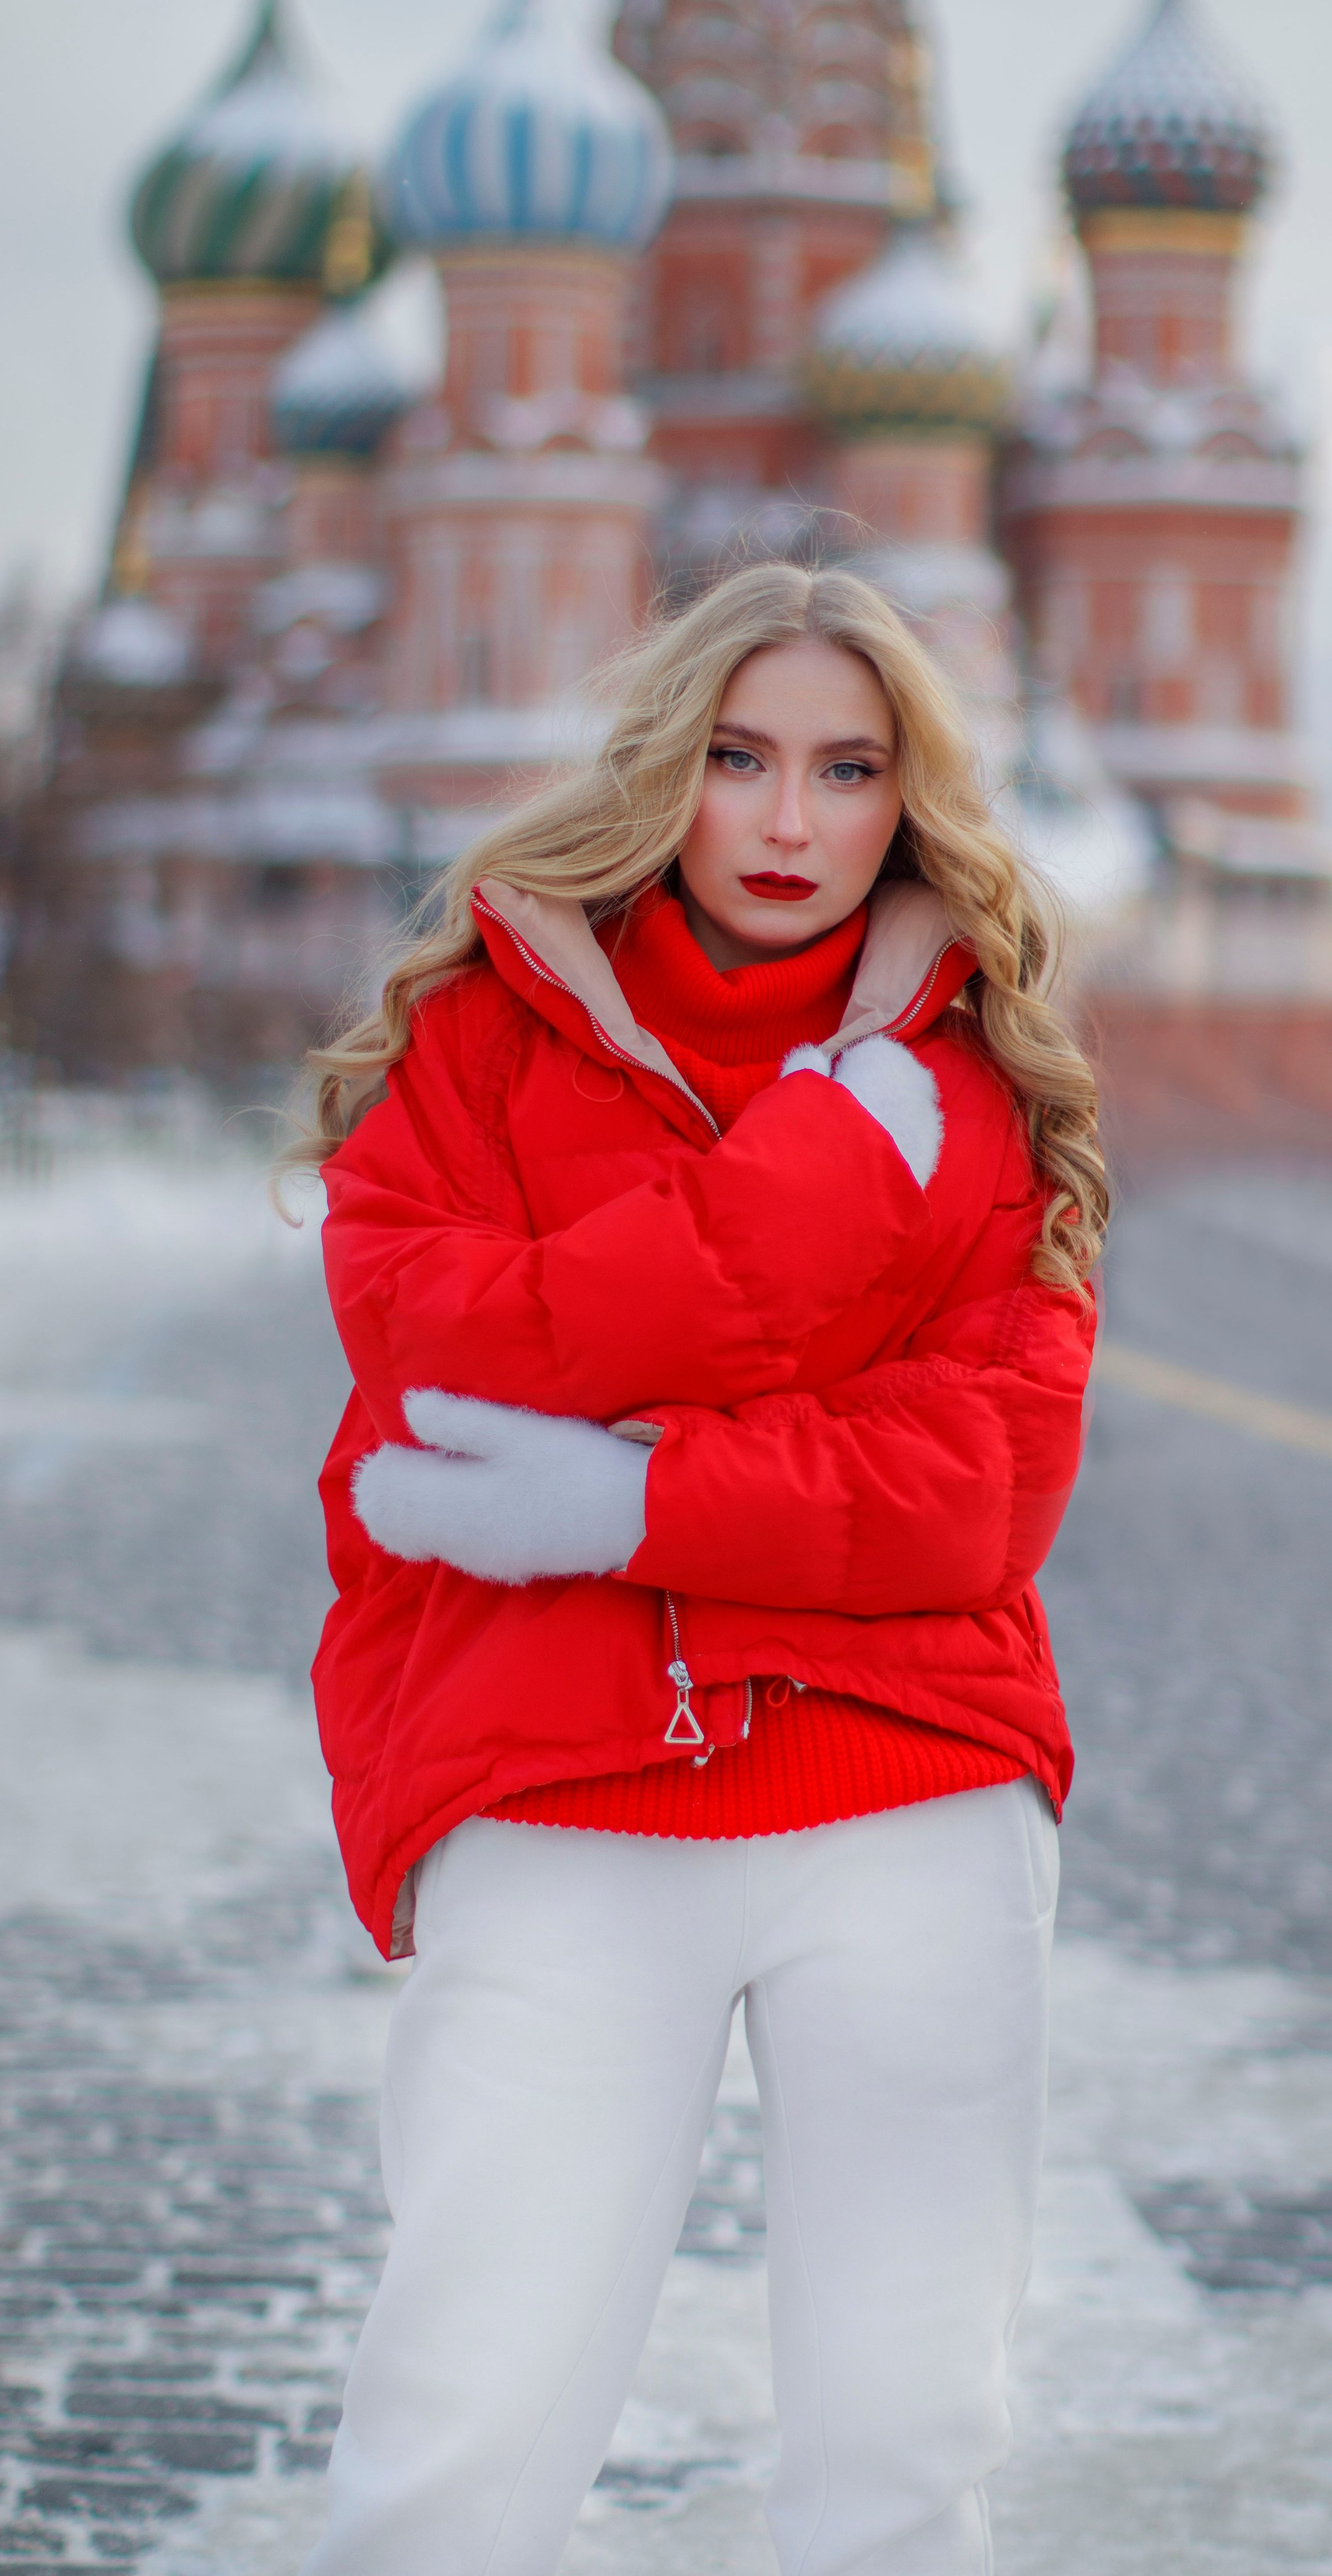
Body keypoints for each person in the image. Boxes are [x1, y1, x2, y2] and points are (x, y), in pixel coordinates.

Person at [288, 561, 1107, 2576]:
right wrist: (819, 1179)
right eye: (741, 759)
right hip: (559, 1783)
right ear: (667, 766)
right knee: (463, 2440)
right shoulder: (479, 1044)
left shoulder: (976, 1083)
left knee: (904, 2452)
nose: (789, 819)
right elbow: (439, 1365)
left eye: (849, 769)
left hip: (909, 1785)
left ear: (907, 800)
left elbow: (980, 1486)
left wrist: (618, 1503)